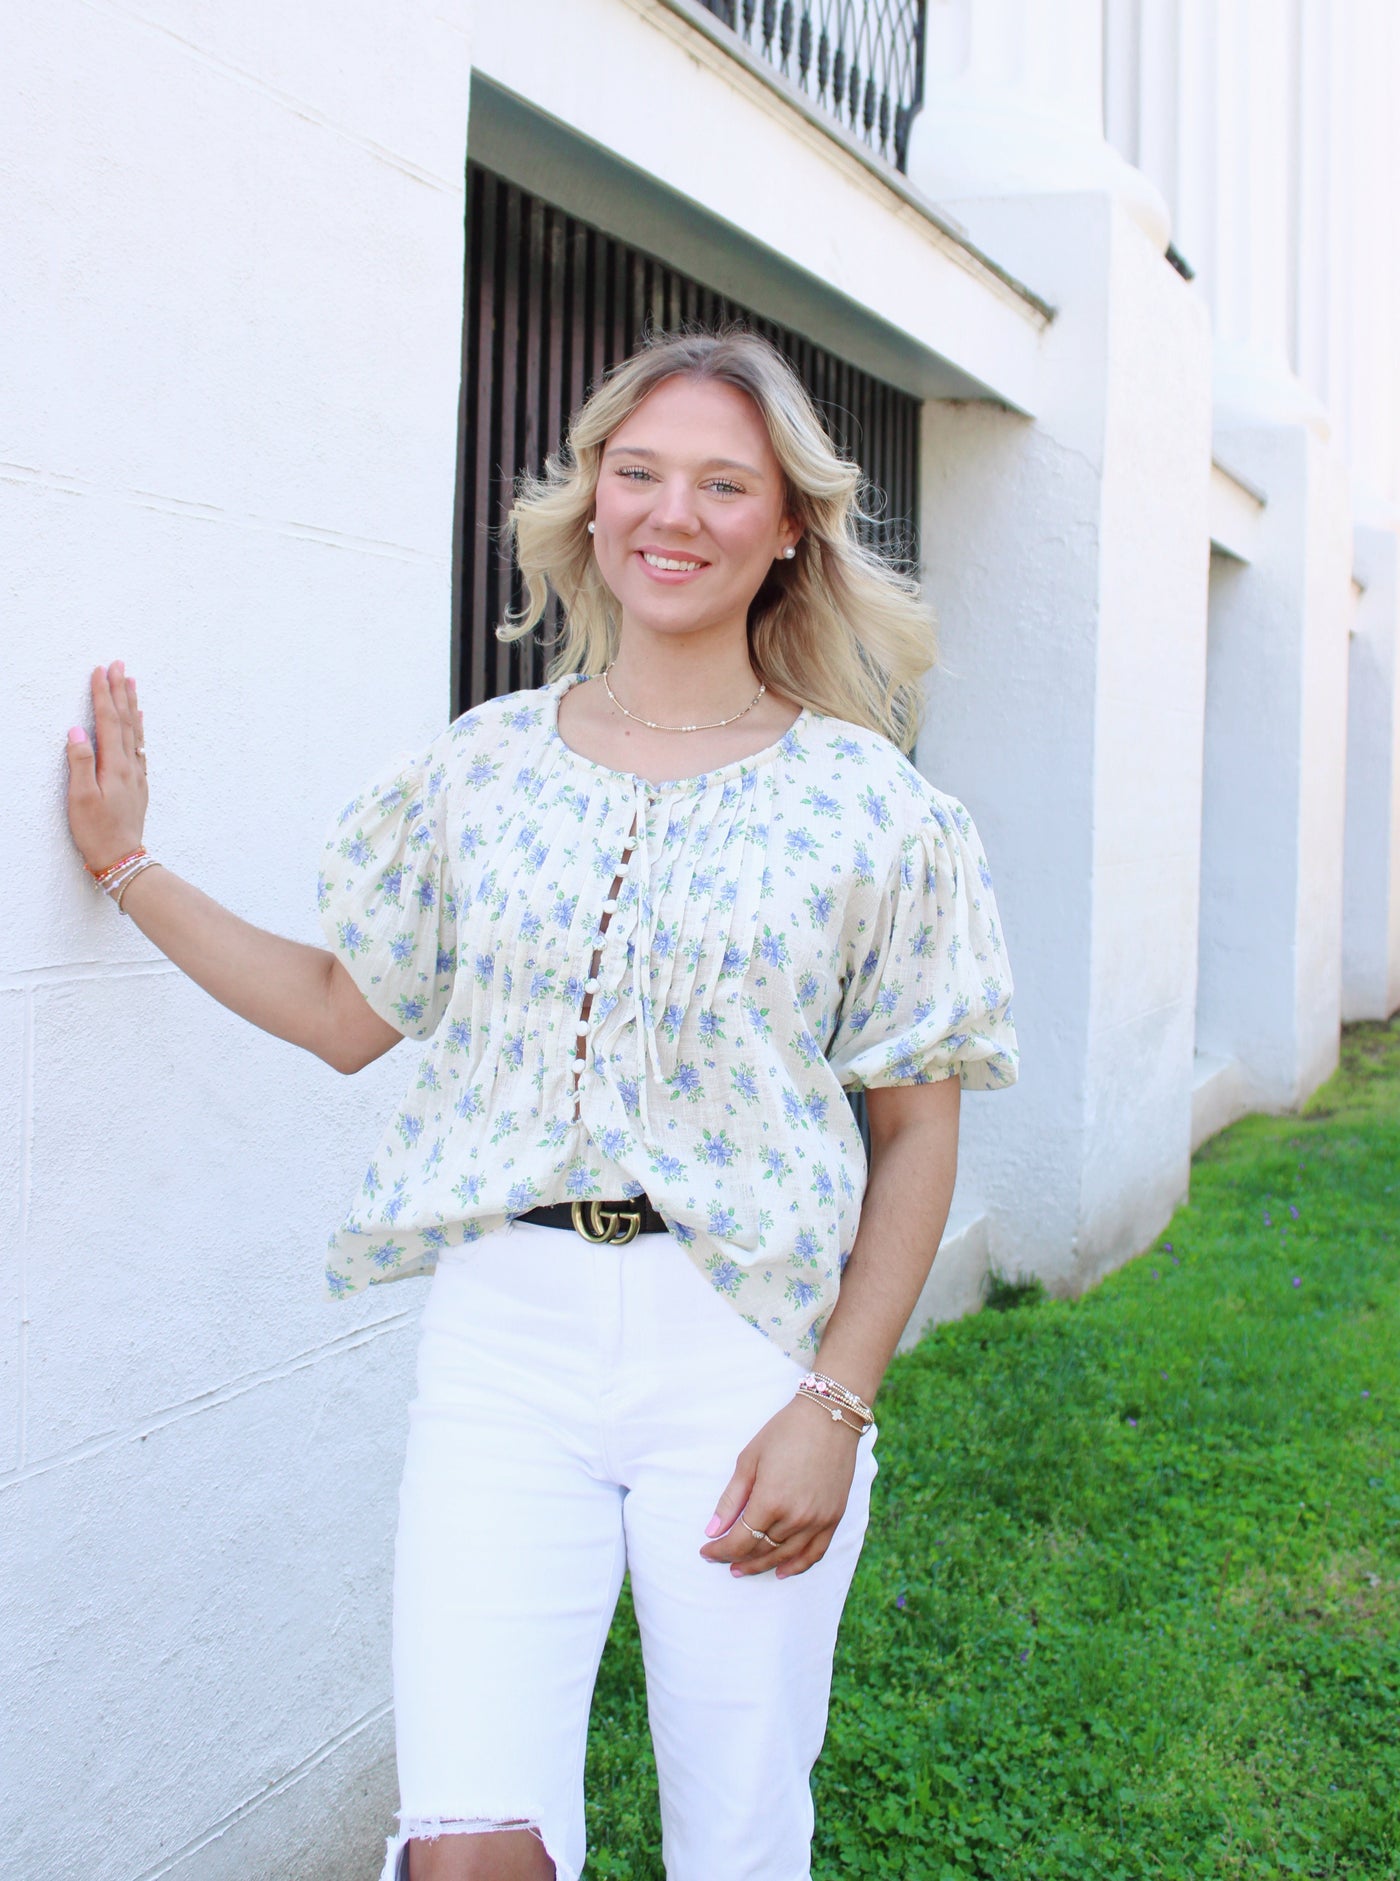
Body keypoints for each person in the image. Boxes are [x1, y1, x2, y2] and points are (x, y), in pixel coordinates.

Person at [64, 328, 1018, 1881]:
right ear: (589, 506)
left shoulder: (872, 806)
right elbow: (339, 1012)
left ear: (789, 524)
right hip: (504, 1342)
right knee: (467, 1847)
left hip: (746, 1357)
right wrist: (129, 864)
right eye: (636, 473)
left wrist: (835, 1405)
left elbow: (916, 1134)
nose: (672, 512)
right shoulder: (482, 768)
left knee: (735, 1837)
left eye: (724, 482)